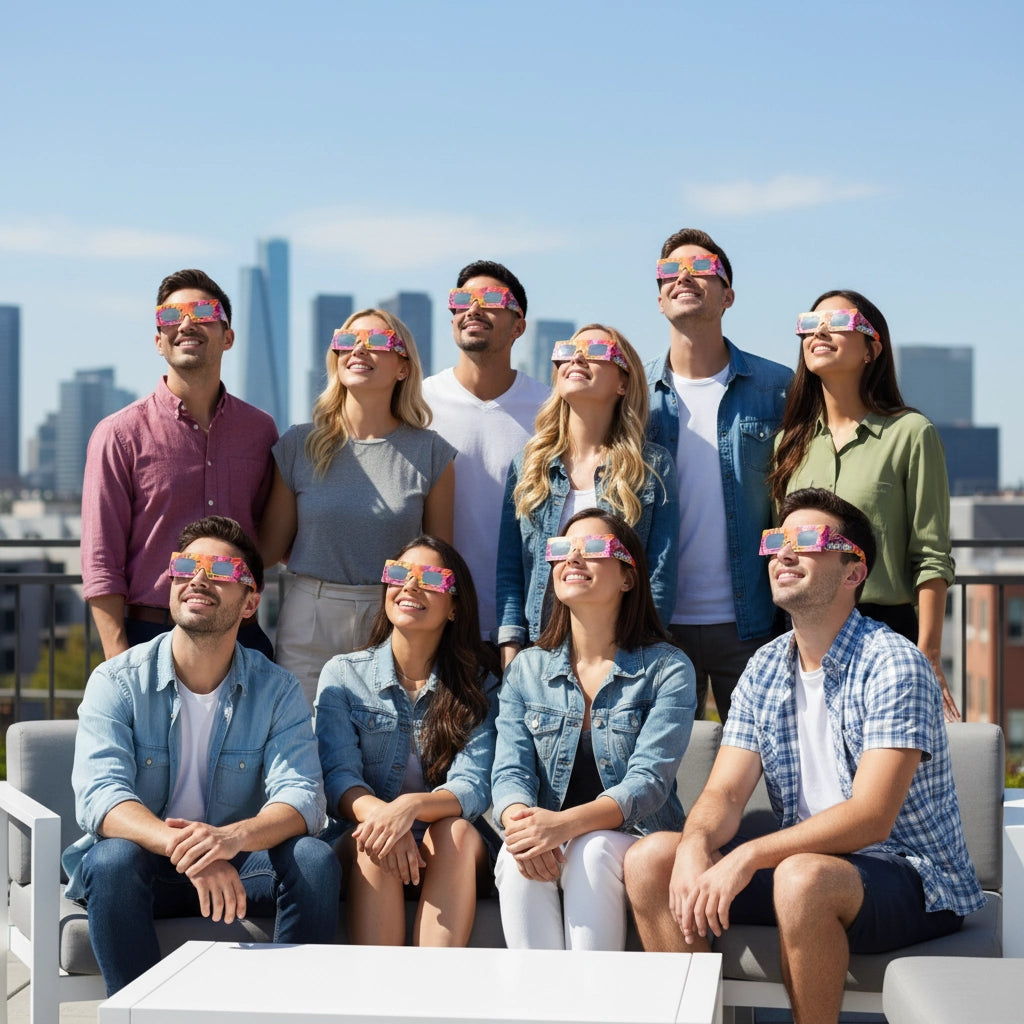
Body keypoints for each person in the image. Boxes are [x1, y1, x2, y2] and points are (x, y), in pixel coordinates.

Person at [624, 488, 983, 1024]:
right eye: (777, 540)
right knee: (651, 858)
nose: (784, 554)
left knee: (800, 878)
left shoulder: (892, 663)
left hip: (914, 877)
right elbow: (723, 792)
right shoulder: (765, 666)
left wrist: (747, 856)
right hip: (807, 866)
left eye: (808, 541)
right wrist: (696, 844)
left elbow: (871, 817)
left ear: (853, 571)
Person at [63, 516, 339, 995]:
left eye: (222, 570)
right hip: (145, 866)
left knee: (314, 860)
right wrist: (190, 851)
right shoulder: (117, 680)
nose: (199, 577)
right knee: (110, 863)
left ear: (251, 601)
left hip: (238, 863)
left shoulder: (277, 690)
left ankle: (285, 1011)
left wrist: (230, 840)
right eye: (187, 564)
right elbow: (101, 797)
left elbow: (303, 798)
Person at [491, 509, 696, 950]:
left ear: (628, 577)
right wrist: (523, 825)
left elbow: (647, 785)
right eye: (563, 550)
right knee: (514, 853)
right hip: (549, 833)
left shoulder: (666, 668)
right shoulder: (526, 668)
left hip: (635, 838)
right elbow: (509, 774)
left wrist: (562, 826)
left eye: (595, 549)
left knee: (593, 849)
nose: (574, 560)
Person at [768, 290, 959, 720]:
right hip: (804, 631)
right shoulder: (788, 446)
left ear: (872, 347)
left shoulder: (911, 433)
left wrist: (927, 652)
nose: (819, 331)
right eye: (810, 323)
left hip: (886, 629)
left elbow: (931, 555)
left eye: (837, 323)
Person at [260, 308, 455, 708]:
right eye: (347, 342)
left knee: (383, 753)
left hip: (393, 619)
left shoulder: (432, 453)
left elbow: (438, 564)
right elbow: (267, 549)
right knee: (305, 748)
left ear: (403, 367)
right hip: (309, 617)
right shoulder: (298, 445)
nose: (359, 351)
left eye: (377, 343)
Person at [81, 269, 278, 661]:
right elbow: (101, 561)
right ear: (159, 341)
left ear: (228, 337)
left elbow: (267, 540)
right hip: (149, 636)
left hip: (241, 637)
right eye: (171, 316)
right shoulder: (118, 434)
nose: (187, 323)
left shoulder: (261, 431)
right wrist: (119, 661)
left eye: (203, 312)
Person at [315, 536, 500, 946]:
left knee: (452, 831)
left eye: (430, 578)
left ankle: (431, 1000)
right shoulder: (343, 676)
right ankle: (380, 1004)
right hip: (363, 836)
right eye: (400, 574)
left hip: (450, 846)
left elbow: (474, 785)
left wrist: (410, 807)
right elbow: (337, 778)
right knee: (374, 841)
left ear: (455, 606)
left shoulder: (479, 685)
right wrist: (385, 818)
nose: (411, 586)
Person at [645, 229, 791, 722]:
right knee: (660, 781)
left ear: (728, 295)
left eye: (702, 269)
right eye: (670, 271)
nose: (684, 277)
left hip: (753, 621)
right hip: (657, 623)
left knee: (769, 771)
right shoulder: (632, 396)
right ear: (659, 297)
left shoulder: (777, 388)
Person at [496, 325, 678, 666]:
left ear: (624, 382)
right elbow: (510, 569)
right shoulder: (528, 464)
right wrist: (511, 649)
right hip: (540, 650)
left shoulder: (651, 467)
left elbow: (659, 572)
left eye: (596, 351)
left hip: (622, 650)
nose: (577, 357)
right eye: (567, 351)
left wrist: (641, 651)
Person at [423, 261, 549, 643]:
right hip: (434, 618)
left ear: (519, 325)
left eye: (491, 299)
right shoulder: (418, 403)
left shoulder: (550, 409)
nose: (474, 308)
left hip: (530, 622)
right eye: (462, 300)